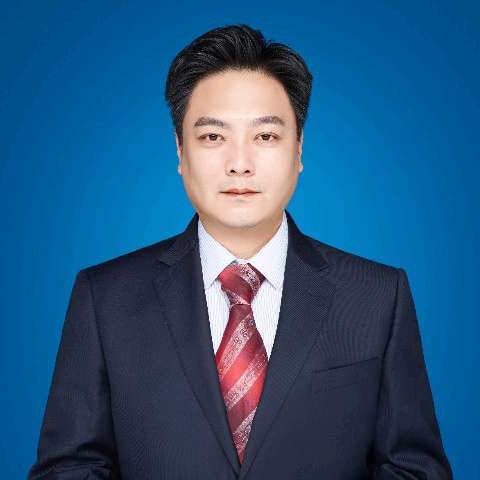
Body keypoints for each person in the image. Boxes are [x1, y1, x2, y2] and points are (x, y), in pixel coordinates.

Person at [28, 24, 453, 479]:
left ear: (298, 150)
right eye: (213, 137)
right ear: (180, 151)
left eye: (265, 136)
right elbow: (70, 469)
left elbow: (414, 469)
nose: (240, 163)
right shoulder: (105, 298)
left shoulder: (377, 296)